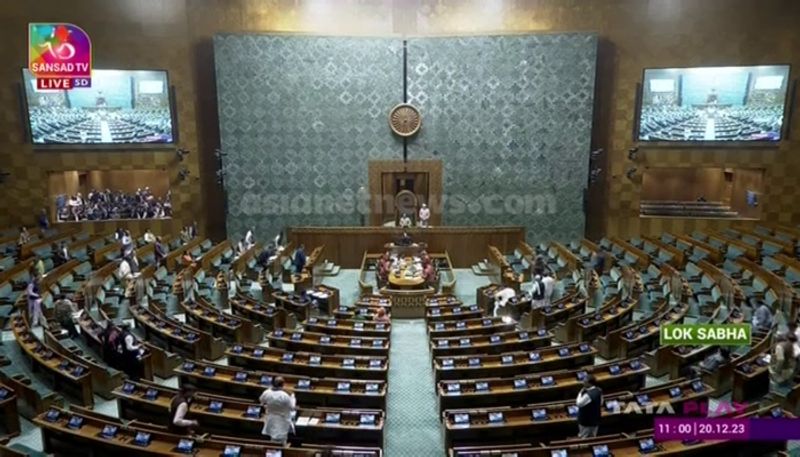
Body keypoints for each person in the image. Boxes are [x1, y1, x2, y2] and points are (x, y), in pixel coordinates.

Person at [259, 377, 296, 445]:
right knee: (280, 440)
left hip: (270, 418)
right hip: (282, 420)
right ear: (282, 385)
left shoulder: (267, 392)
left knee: (273, 438)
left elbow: (261, 400)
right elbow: (292, 408)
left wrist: (266, 405)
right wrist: (293, 397)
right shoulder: (285, 395)